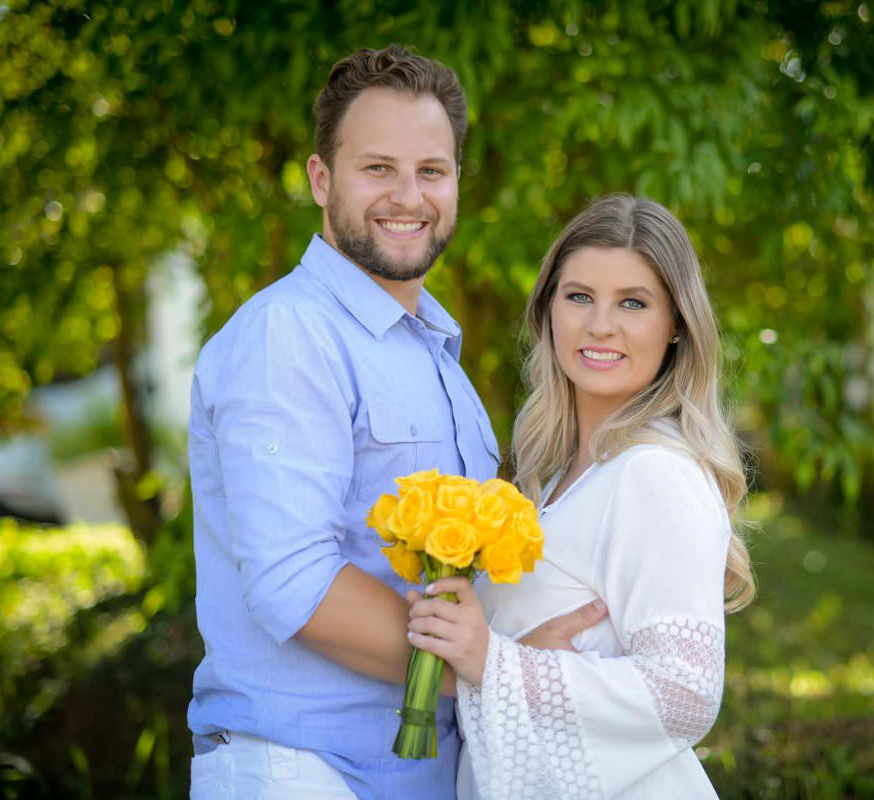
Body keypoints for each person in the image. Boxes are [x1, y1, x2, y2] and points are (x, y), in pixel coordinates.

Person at [186, 46, 605, 800]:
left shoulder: (440, 359)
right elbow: (294, 583)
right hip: (300, 771)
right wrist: (490, 667)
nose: (408, 196)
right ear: (321, 179)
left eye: (431, 171)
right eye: (377, 168)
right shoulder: (290, 335)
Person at [408, 194, 756, 798]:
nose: (601, 325)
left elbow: (685, 694)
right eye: (579, 297)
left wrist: (498, 662)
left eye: (633, 303)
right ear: (548, 310)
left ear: (676, 325)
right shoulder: (557, 476)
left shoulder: (656, 472)